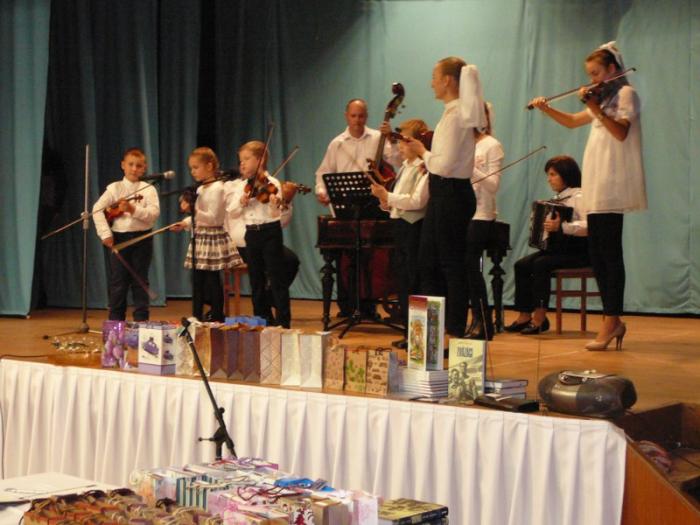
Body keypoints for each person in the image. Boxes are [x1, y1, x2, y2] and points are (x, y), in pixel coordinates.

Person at [529, 42, 646, 350]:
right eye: (590, 74)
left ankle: (612, 319)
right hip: (596, 182)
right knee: (598, 255)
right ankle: (612, 319)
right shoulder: (603, 98)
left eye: (596, 73)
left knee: (610, 254)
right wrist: (546, 108)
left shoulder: (625, 94)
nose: (592, 80)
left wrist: (594, 107)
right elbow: (571, 121)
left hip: (613, 183)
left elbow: (621, 132)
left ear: (612, 69)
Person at [405, 56, 487, 340]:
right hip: (445, 193)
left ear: (448, 80)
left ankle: (453, 328)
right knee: (429, 262)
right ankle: (430, 331)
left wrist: (421, 152)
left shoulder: (455, 117)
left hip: (451, 194)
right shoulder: (452, 113)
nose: (432, 83)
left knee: (451, 264)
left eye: (434, 77)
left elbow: (444, 164)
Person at [315, 98, 400, 318]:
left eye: (361, 116)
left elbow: (397, 162)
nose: (357, 120)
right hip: (345, 205)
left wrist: (391, 139)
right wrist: (322, 191)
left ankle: (368, 305)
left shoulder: (377, 138)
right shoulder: (337, 143)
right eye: (353, 116)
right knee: (346, 258)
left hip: (371, 204)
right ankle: (347, 306)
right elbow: (323, 173)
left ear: (366, 116)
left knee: (370, 258)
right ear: (346, 116)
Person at [504, 156, 589, 334]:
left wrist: (563, 227)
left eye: (553, 174)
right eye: (548, 175)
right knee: (521, 265)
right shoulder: (558, 199)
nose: (549, 179)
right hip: (559, 251)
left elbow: (590, 226)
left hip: (579, 252)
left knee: (540, 264)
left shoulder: (579, 196)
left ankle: (540, 317)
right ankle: (524, 315)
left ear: (566, 175)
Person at [370, 118, 430, 349]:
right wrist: (385, 201)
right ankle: (408, 332)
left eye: (404, 142)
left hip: (413, 228)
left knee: (414, 281)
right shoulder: (405, 167)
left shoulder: (423, 169)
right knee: (403, 282)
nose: (400, 147)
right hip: (400, 227)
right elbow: (397, 202)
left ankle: (418, 337)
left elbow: (417, 201)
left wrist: (388, 196)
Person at [226, 141, 293, 328]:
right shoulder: (243, 186)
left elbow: (275, 214)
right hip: (251, 234)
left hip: (270, 232)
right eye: (240, 160)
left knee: (276, 278)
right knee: (256, 280)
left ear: (261, 160)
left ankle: (283, 323)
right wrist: (241, 202)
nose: (242, 164)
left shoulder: (272, 183)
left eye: (246, 159)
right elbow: (232, 212)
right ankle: (262, 320)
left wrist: (273, 203)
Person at [170, 147, 241, 322]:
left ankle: (217, 316)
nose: (192, 172)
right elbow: (199, 216)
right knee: (197, 280)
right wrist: (185, 223)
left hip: (212, 237)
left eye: (196, 167)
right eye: (191, 168)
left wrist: (193, 210)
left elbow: (214, 218)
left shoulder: (218, 188)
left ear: (209, 166)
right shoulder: (201, 188)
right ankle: (196, 316)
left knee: (212, 280)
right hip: (200, 236)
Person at [92, 147, 160, 321]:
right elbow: (97, 209)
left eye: (139, 166)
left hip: (142, 238)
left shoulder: (148, 189)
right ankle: (116, 322)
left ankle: (141, 321)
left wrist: (132, 209)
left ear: (144, 168)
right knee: (118, 282)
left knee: (140, 281)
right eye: (130, 164)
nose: (134, 169)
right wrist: (105, 234)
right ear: (123, 165)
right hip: (119, 238)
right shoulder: (114, 188)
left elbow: (153, 215)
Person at [465, 102, 504, 340]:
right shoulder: (461, 145)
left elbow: (493, 185)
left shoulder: (492, 145)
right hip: (461, 213)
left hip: (481, 214)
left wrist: (470, 166)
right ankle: (470, 319)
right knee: (461, 269)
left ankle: (483, 321)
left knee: (472, 267)